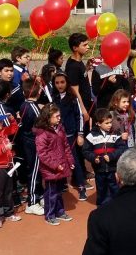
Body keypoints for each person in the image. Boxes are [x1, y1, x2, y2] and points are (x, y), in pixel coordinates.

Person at [52, 71, 92, 200]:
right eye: (57, 82)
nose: (59, 85)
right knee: (58, 160)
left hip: (70, 135)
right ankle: (62, 183)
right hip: (57, 136)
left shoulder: (72, 98)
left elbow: (79, 117)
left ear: (67, 83)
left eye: (62, 82)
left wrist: (80, 134)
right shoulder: (53, 98)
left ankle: (81, 186)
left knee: (73, 161)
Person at [34, 104, 75, 226]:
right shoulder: (42, 134)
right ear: (48, 118)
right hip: (51, 169)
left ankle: (60, 211)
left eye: (59, 116)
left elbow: (66, 146)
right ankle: (50, 215)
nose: (59, 118)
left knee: (59, 191)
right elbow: (43, 154)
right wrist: (55, 165)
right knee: (51, 192)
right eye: (56, 116)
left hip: (61, 165)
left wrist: (70, 160)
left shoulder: (60, 128)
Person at [83, 108, 127, 206]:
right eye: (106, 123)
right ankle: (102, 207)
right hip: (99, 169)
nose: (110, 125)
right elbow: (86, 151)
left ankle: (117, 206)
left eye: (110, 122)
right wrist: (94, 158)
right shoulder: (91, 136)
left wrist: (111, 156)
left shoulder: (115, 134)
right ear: (98, 123)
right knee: (101, 189)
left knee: (114, 188)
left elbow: (122, 148)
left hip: (113, 168)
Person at [17, 78, 46, 216]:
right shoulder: (33, 108)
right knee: (34, 171)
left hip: (27, 141)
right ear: (39, 91)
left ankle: (39, 195)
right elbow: (40, 126)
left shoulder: (23, 105)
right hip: (33, 143)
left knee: (36, 171)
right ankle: (32, 202)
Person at [65, 33, 93, 128]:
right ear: (75, 48)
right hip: (81, 107)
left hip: (87, 103)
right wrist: (83, 110)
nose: (88, 47)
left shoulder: (79, 61)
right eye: (84, 45)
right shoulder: (73, 67)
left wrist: (87, 67)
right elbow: (74, 90)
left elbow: (80, 76)